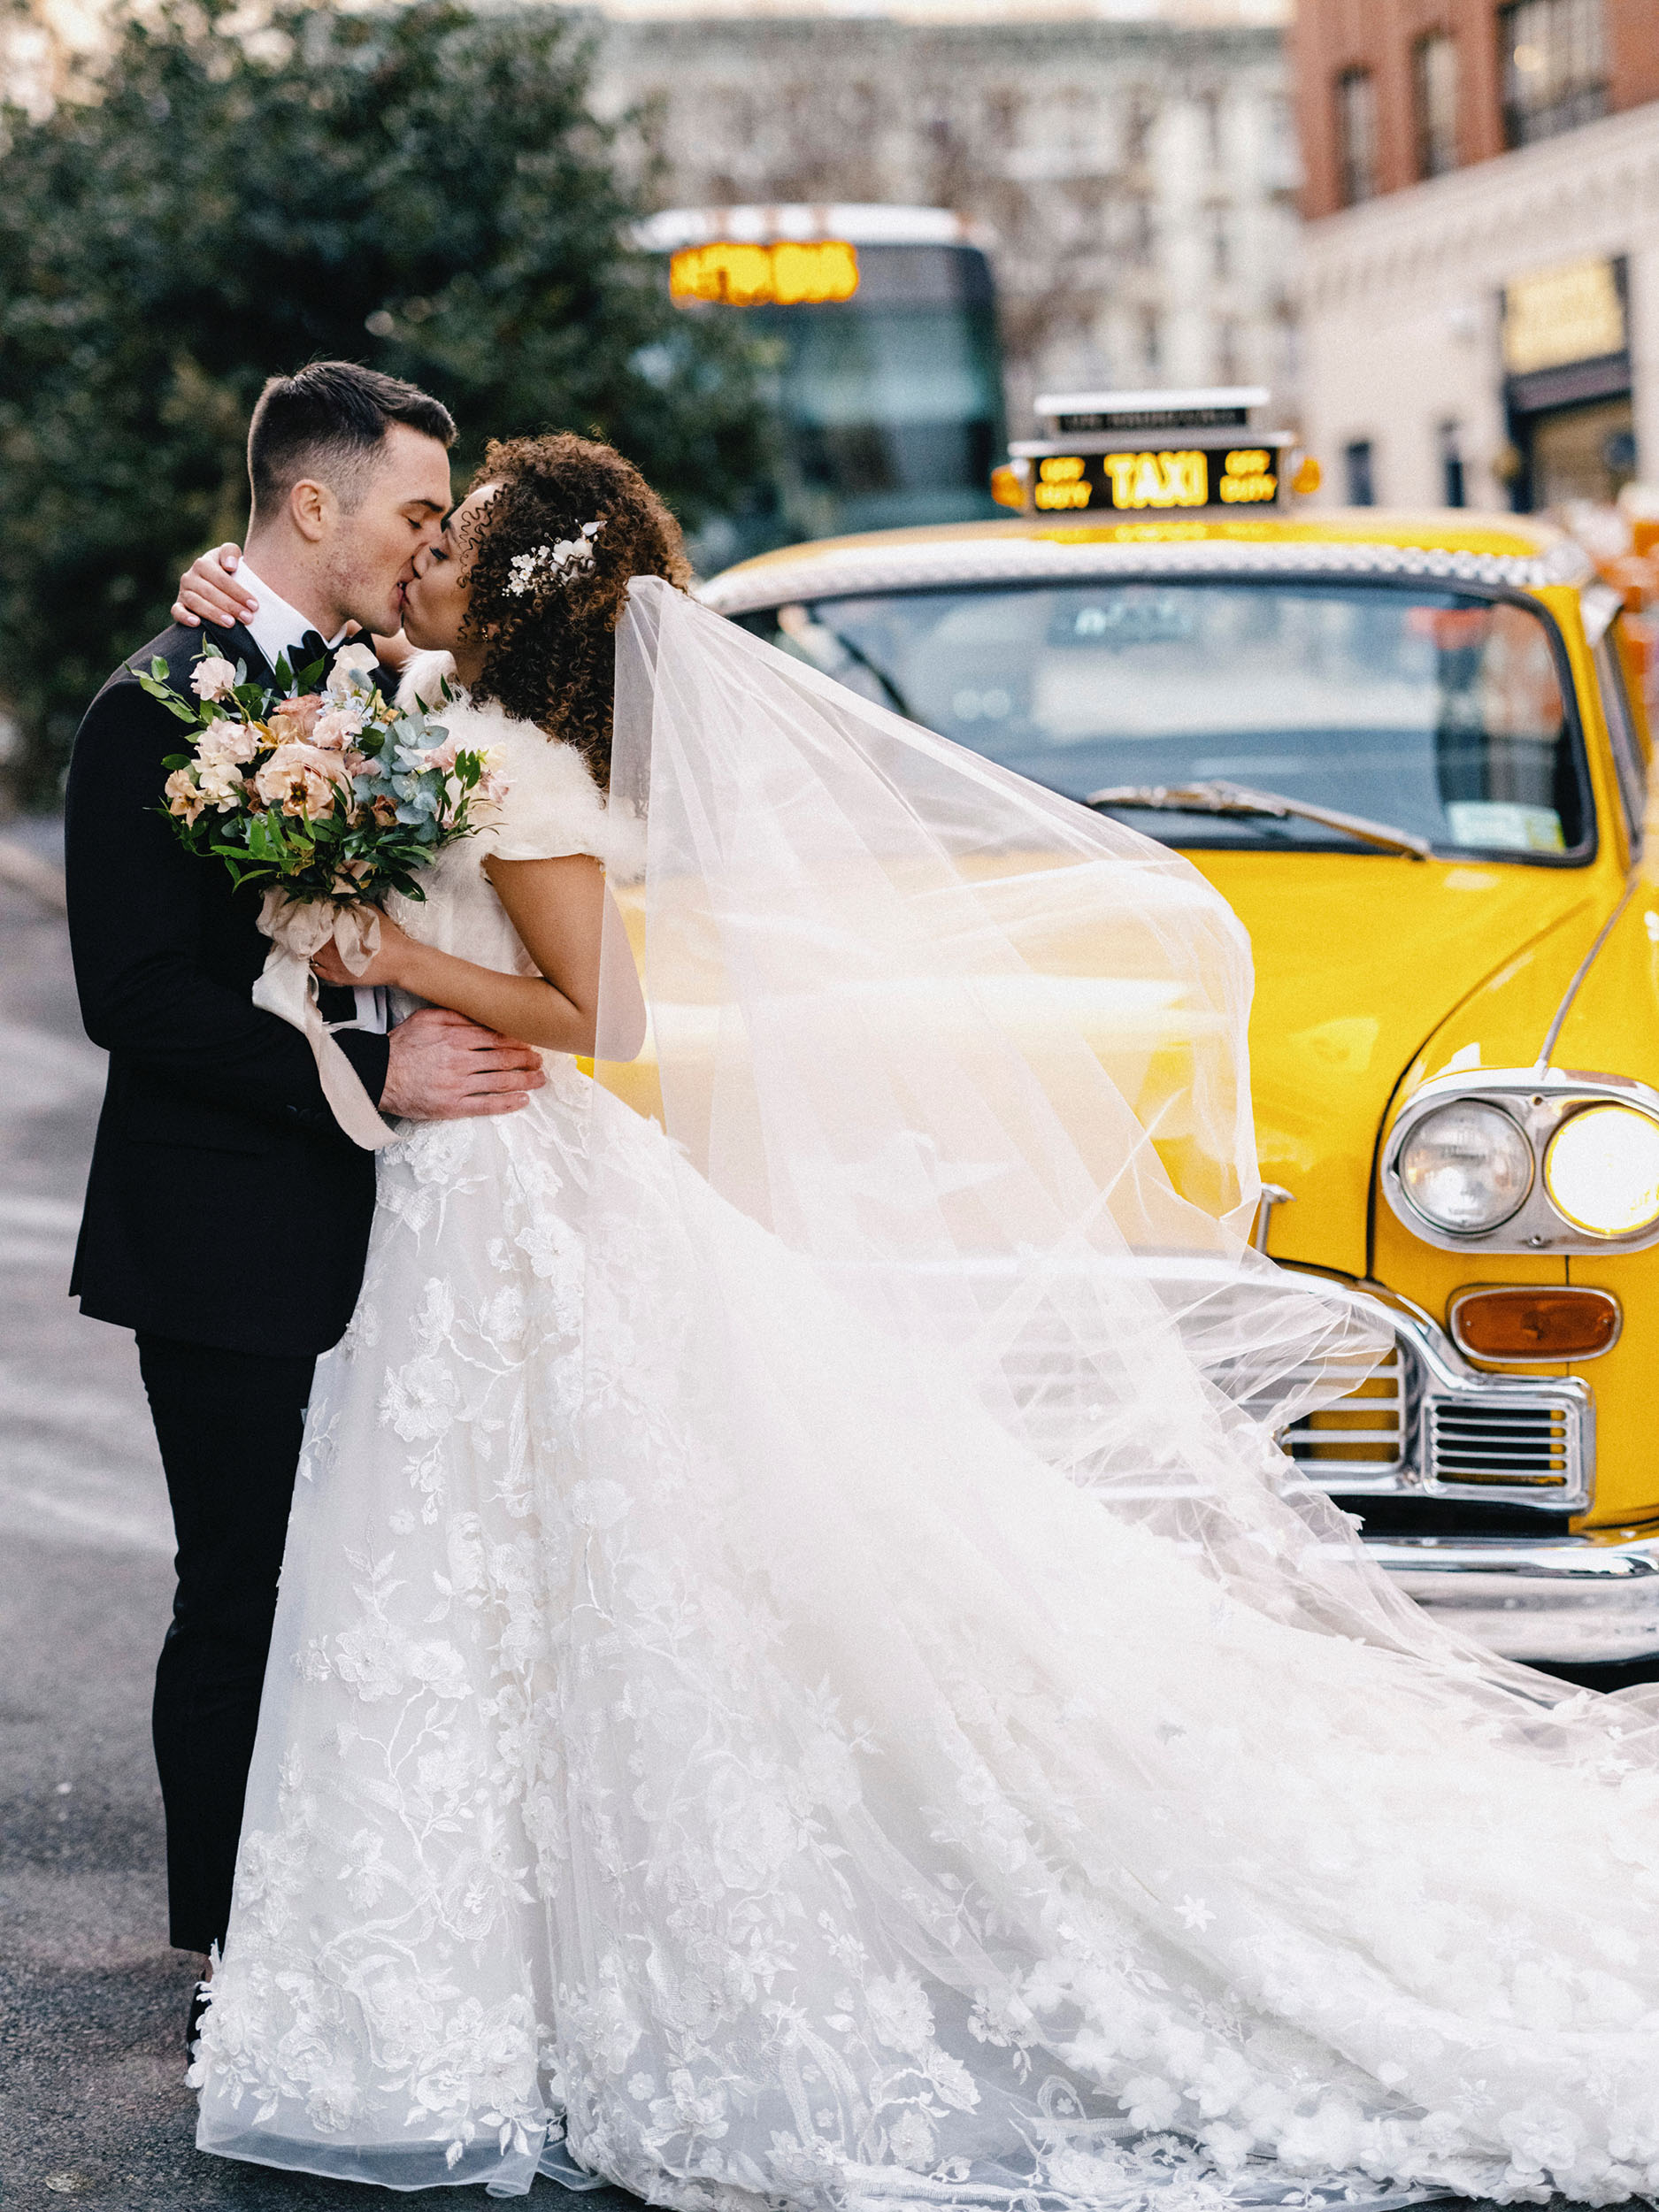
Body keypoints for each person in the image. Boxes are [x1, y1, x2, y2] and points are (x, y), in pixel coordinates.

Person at [173, 434, 1659, 2211]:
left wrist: (390, 958)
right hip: (456, 1205)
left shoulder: (515, 771)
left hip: (511, 1190)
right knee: (475, 1590)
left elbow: (609, 1006)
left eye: (453, 537)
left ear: (508, 584)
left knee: (593, 1585)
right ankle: (477, 1982)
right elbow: (317, 692)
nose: (421, 556)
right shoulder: (427, 722)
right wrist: (243, 636)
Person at [63, 363, 546, 2048]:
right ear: (314, 506)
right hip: (226, 1229)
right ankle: (225, 1957)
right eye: (417, 511)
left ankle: (378, 1913)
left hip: (415, 1227)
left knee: (391, 1581)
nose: (431, 545)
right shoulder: (155, 703)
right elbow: (134, 997)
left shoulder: (375, 678)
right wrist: (369, 1073)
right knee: (246, 1586)